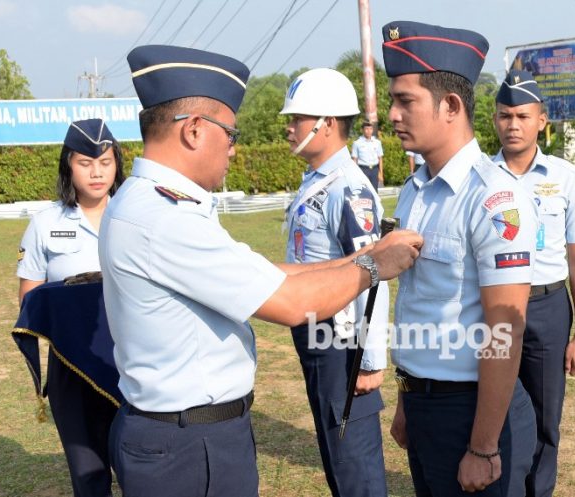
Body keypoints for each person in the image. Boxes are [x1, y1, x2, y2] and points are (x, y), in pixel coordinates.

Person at [98, 45, 422, 497]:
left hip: (191, 433)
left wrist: (361, 275)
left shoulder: (151, 202)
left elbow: (266, 270)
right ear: (193, 130)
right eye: (229, 133)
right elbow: (290, 301)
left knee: (351, 459)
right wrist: (374, 264)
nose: (234, 147)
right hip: (190, 445)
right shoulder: (166, 216)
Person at [382, 21, 538, 497]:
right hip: (425, 401)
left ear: (450, 106)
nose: (392, 114)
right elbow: (423, 302)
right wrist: (408, 399)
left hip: (472, 412)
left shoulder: (494, 198)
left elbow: (503, 331)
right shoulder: (416, 191)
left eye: (405, 101)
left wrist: (485, 446)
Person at [280, 67, 389, 497]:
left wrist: (371, 359)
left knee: (355, 467)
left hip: (342, 344)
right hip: (316, 337)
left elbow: (376, 273)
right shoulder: (318, 180)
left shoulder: (349, 187)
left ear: (326, 122)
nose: (290, 127)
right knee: (335, 457)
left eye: (298, 118)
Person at [491, 70, 575, 497]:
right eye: (504, 115)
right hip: (493, 308)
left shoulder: (566, 178)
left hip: (547, 307)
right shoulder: (480, 176)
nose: (512, 124)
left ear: (542, 121)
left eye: (521, 115)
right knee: (491, 408)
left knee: (544, 414)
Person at [16, 118, 125, 497]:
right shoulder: (46, 224)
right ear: (68, 165)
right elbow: (31, 297)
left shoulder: (135, 215)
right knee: (88, 472)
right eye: (85, 162)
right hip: (72, 363)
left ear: (118, 165)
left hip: (134, 358)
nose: (97, 172)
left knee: (141, 465)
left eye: (106, 162)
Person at [351, 121, 384, 191]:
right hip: (363, 170)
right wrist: (355, 174)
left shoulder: (377, 142)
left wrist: (381, 173)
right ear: (362, 130)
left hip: (374, 169)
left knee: (374, 191)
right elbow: (354, 160)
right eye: (366, 129)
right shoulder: (357, 143)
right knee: (364, 191)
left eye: (370, 129)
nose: (369, 131)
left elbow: (380, 158)